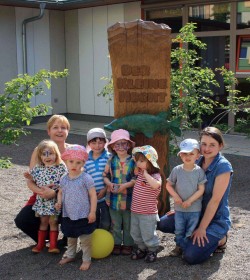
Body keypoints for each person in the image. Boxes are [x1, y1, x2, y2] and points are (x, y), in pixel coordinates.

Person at [157, 127, 233, 264]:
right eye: (204, 144)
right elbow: (185, 186)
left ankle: (221, 239)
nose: (207, 148)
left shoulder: (223, 167)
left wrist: (202, 228)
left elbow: (215, 201)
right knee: (162, 223)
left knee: (190, 257)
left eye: (212, 145)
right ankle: (192, 234)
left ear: (220, 146)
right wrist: (180, 206)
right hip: (192, 211)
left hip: (214, 219)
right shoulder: (196, 160)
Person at [14, 114, 71, 243]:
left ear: (68, 131)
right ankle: (47, 238)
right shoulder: (38, 150)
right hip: (42, 196)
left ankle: (68, 239)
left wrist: (55, 193)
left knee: (74, 212)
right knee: (22, 220)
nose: (60, 130)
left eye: (63, 127)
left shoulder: (73, 150)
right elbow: (31, 180)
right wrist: (42, 192)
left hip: (66, 196)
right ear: (48, 131)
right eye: (55, 127)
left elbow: (76, 179)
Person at [55, 145, 97, 271]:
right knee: (70, 238)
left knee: (85, 240)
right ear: (66, 162)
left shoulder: (86, 178)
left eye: (78, 162)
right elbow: (61, 192)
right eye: (71, 162)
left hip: (83, 215)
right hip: (68, 214)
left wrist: (92, 212)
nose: (74, 165)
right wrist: (59, 202)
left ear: (83, 163)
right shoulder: (64, 178)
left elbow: (93, 195)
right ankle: (71, 255)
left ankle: (86, 259)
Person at [23, 139, 67, 253]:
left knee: (53, 222)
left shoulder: (61, 167)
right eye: (44, 154)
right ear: (40, 156)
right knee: (43, 222)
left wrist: (57, 192)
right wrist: (28, 176)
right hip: (42, 201)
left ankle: (53, 245)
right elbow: (31, 180)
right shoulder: (38, 168)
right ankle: (40, 244)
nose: (48, 157)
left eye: (51, 153)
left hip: (54, 201)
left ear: (56, 154)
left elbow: (66, 181)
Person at [166, 139, 206, 257]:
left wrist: (189, 201)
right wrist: (175, 196)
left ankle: (186, 249)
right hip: (179, 208)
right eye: (185, 153)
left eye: (191, 154)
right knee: (179, 230)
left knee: (190, 230)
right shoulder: (177, 170)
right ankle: (179, 247)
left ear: (198, 155)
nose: (187, 156)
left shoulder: (199, 172)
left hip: (194, 209)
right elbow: (168, 185)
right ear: (180, 155)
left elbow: (201, 189)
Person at [103, 129, 136, 256]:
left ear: (129, 145)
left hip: (128, 199)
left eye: (124, 143)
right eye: (117, 144)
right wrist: (109, 184)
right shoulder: (111, 160)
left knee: (128, 224)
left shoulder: (133, 160)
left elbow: (136, 178)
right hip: (113, 199)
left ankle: (128, 244)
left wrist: (125, 185)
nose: (121, 147)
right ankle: (116, 243)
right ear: (112, 146)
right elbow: (105, 175)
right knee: (115, 223)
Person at [130, 145, 162, 263]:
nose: (138, 163)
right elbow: (135, 162)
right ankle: (141, 248)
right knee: (135, 232)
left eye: (142, 161)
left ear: (150, 162)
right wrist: (139, 165)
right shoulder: (139, 173)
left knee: (148, 233)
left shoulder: (155, 176)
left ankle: (152, 249)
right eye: (137, 160)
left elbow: (155, 185)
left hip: (148, 212)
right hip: (135, 210)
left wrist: (146, 174)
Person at [84, 128, 111, 230]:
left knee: (106, 222)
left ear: (105, 142)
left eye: (100, 142)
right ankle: (93, 243)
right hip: (91, 196)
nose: (97, 146)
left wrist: (105, 189)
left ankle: (105, 241)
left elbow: (112, 176)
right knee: (92, 220)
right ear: (89, 144)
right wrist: (90, 192)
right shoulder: (85, 159)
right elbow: (84, 177)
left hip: (106, 196)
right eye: (93, 143)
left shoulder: (109, 157)